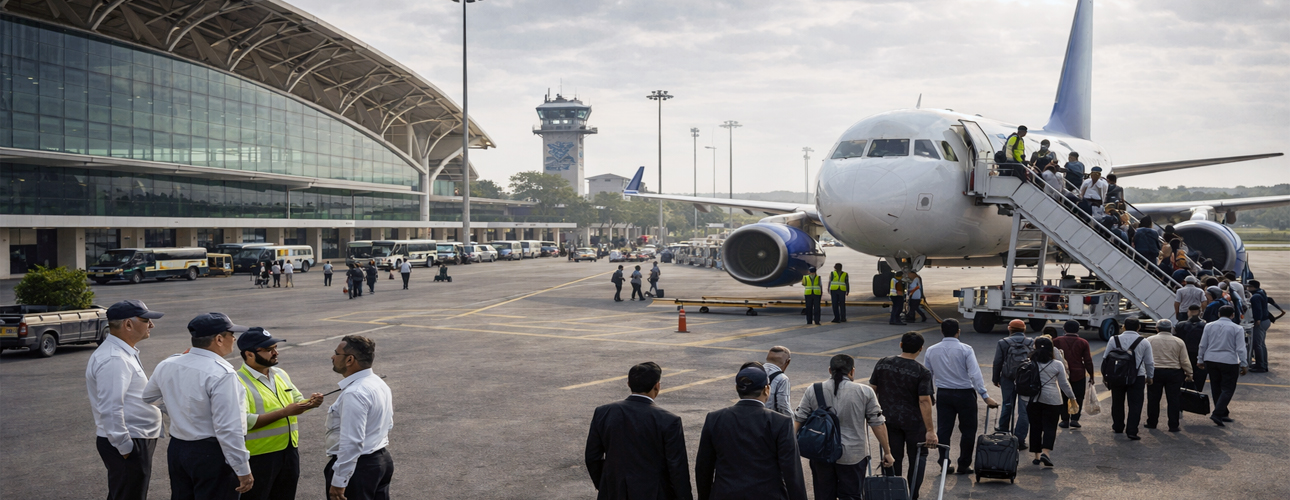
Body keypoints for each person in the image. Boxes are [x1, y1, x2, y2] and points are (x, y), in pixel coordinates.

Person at [143, 312, 254, 500]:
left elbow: (149, 396)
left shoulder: (169, 363)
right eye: (231, 334)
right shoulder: (222, 374)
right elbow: (228, 428)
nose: (234, 339)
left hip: (179, 449)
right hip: (211, 453)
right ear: (219, 339)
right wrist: (242, 468)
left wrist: (180, 412)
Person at [87, 300, 166, 500]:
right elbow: (111, 408)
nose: (151, 325)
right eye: (146, 320)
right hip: (129, 440)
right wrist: (125, 447)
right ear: (128, 324)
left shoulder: (122, 353)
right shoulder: (115, 359)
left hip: (133, 438)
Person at [235, 327, 324, 500]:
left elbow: (297, 400)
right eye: (269, 350)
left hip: (289, 452)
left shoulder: (280, 374)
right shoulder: (238, 381)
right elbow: (243, 421)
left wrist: (311, 402)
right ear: (249, 354)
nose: (275, 353)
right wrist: (284, 412)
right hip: (259, 456)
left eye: (275, 347)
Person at [695, 365, 807, 500]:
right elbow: (792, 471)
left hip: (725, 494)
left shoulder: (715, 418)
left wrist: (704, 496)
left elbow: (704, 467)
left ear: (737, 388)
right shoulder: (780, 422)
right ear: (766, 389)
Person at [585, 362, 692, 500]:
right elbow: (677, 468)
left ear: (629, 384)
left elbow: (592, 457)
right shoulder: (669, 420)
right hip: (653, 492)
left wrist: (605, 484)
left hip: (613, 490)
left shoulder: (603, 412)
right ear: (657, 386)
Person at [794, 354, 893, 500]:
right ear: (852, 371)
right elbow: (877, 423)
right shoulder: (864, 391)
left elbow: (799, 419)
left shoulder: (813, 389)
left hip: (821, 452)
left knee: (823, 495)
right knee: (851, 495)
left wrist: (790, 446)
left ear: (830, 370)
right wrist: (887, 452)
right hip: (853, 455)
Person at [924, 319, 1000, 475]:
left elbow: (927, 375)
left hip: (944, 393)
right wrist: (984, 395)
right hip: (965, 394)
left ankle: (944, 462)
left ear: (941, 331)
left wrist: (929, 394)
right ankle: (964, 464)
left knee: (944, 429)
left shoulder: (931, 350)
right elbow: (974, 374)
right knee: (968, 430)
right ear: (958, 332)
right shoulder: (966, 349)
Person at [869, 332, 937, 500]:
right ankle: (912, 495)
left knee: (892, 457)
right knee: (918, 458)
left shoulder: (883, 363)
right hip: (914, 423)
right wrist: (930, 430)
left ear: (900, 345)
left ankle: (894, 494)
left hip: (888, 420)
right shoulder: (922, 372)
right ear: (921, 349)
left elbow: (872, 391)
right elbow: (924, 401)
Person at [325, 335, 395, 500]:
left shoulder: (354, 393)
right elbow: (388, 423)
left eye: (337, 353)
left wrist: (340, 480)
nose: (332, 357)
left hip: (359, 469)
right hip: (381, 460)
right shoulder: (378, 383)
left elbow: (352, 442)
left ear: (350, 360)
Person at [1019, 337, 1076, 468]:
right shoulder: (1057, 364)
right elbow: (1064, 384)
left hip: (1033, 399)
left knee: (1035, 427)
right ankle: (1046, 452)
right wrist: (1072, 397)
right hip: (1053, 400)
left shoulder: (1030, 362)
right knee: (1050, 427)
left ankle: (1037, 456)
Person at [1101, 317, 1154, 440]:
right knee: (1135, 404)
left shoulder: (1114, 339)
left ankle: (1118, 426)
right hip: (1137, 376)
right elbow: (1149, 362)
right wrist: (1150, 376)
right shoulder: (1144, 342)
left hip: (1117, 375)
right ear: (1138, 327)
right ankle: (1132, 431)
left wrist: (1105, 376)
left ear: (1123, 327)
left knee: (1117, 402)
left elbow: (1106, 358)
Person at [1198, 306, 1247, 427]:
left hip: (1211, 359)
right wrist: (1244, 364)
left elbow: (1203, 344)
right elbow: (1241, 348)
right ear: (1232, 315)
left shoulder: (1209, 326)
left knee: (1216, 387)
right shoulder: (1237, 328)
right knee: (1228, 388)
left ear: (1219, 314)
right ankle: (1218, 412)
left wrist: (1200, 359)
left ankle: (1223, 413)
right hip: (1229, 360)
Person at [992, 319, 1034, 448]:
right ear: (1024, 329)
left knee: (1007, 404)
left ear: (1009, 329)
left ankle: (1003, 432)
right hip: (1025, 379)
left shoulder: (1003, 342)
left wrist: (995, 378)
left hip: (1008, 378)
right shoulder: (1031, 342)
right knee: (1024, 409)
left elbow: (997, 362)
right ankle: (1020, 439)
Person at [1145, 319, 1192, 432]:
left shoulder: (1149, 340)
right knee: (1174, 399)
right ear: (1171, 329)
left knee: (1153, 398)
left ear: (1156, 328)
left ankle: (1152, 422)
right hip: (1174, 373)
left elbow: (1145, 358)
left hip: (1155, 372)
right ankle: (1173, 425)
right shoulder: (1179, 341)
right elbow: (1184, 360)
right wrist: (1189, 373)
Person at [1051, 320, 1094, 429]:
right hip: (1079, 373)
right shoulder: (1083, 342)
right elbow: (1088, 361)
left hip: (1061, 372)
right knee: (1078, 396)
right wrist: (1091, 375)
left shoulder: (1056, 341)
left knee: (1063, 396)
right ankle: (1075, 419)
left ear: (1064, 329)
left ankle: (1064, 420)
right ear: (1078, 329)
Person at [1175, 305, 1209, 391]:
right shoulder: (1206, 326)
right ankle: (1197, 394)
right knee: (1199, 379)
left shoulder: (1180, 325)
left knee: (1182, 379)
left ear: (1188, 312)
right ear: (1200, 313)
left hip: (1184, 355)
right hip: (1200, 355)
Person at [1248, 280, 1271, 372]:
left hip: (1260, 322)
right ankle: (1263, 364)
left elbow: (1258, 309)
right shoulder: (1261, 292)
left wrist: (1257, 319)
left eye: (1248, 287)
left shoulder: (1255, 297)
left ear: (1252, 287)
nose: (1247, 288)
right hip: (1266, 321)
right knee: (1261, 344)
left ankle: (1260, 366)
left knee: (1257, 344)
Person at [764, 346, 793, 416]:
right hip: (769, 418)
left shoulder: (755, 372)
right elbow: (783, 406)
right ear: (788, 362)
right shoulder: (782, 379)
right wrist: (791, 419)